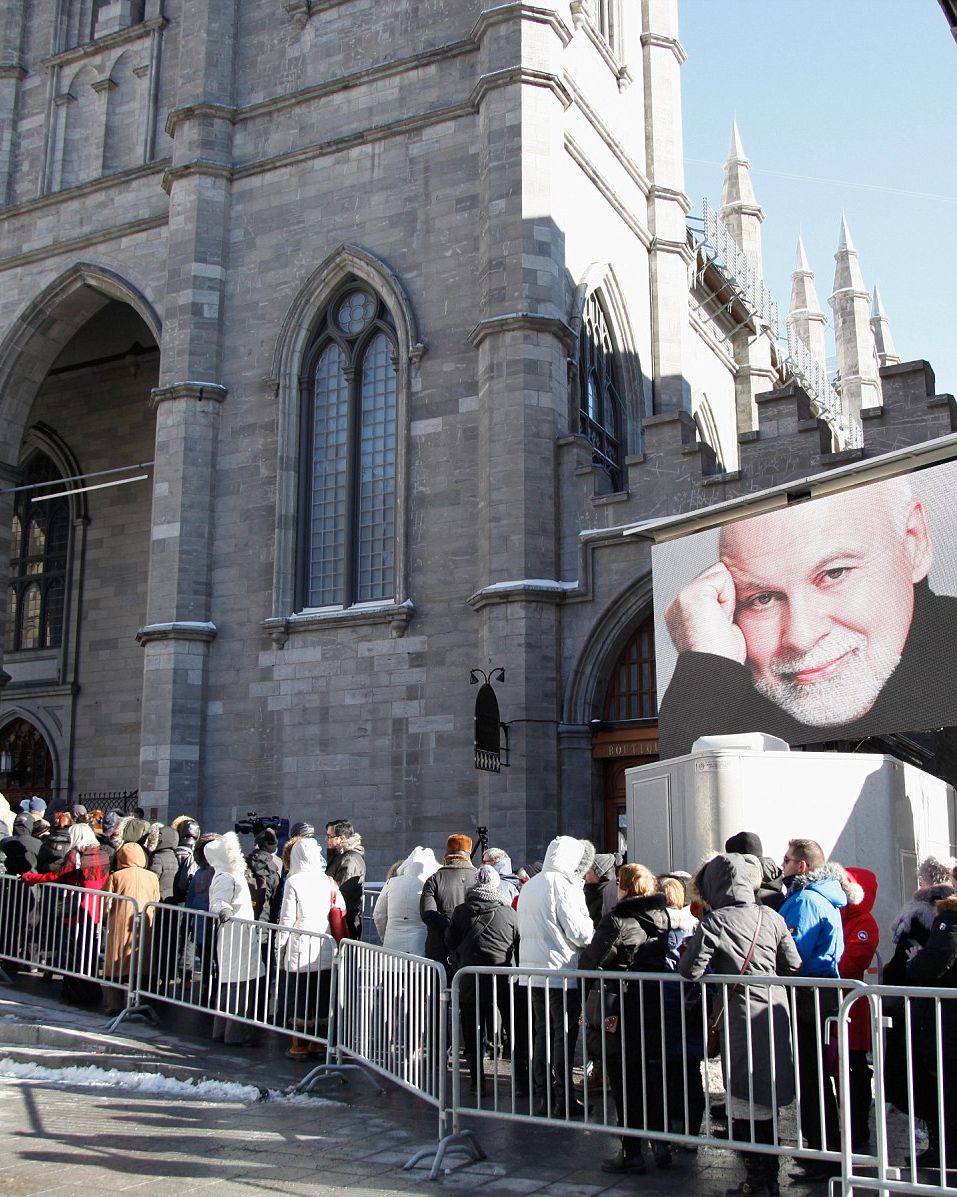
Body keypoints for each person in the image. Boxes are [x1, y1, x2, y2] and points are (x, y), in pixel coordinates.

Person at [658, 477, 957, 755]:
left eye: (834, 574)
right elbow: (691, 801)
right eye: (762, 599)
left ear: (914, 543)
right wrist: (704, 667)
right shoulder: (728, 704)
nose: (801, 637)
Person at [680, 853, 802, 1197]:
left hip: (739, 1010)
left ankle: (759, 1181)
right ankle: (767, 1178)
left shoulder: (715, 922)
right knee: (765, 1090)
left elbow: (690, 970)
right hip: (774, 1008)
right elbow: (793, 964)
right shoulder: (772, 916)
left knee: (746, 1095)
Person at [580, 863, 672, 1174]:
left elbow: (592, 960)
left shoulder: (617, 920)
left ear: (625, 887)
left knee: (625, 1079)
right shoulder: (663, 917)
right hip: (654, 1003)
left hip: (624, 1006)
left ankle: (632, 1151)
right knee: (653, 1075)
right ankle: (661, 1143)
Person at [777, 838, 849, 1181]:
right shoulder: (821, 897)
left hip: (808, 992)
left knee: (812, 1074)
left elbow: (793, 951)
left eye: (789, 860)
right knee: (814, 1074)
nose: (784, 864)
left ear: (803, 866)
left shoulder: (806, 900)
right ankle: (821, 1148)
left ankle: (824, 1153)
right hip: (817, 990)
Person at [516, 835, 594, 1117]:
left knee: (542, 1032)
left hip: (533, 970)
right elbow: (579, 931)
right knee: (563, 1034)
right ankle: (563, 1096)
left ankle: (543, 1093)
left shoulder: (532, 885)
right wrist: (592, 932)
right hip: (560, 970)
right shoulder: (564, 885)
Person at [445, 865, 519, 1097]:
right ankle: (521, 1081)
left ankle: (478, 1082)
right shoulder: (508, 913)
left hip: (470, 978)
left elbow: (450, 940)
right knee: (512, 1029)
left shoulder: (461, 911)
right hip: (503, 978)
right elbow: (517, 941)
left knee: (472, 1032)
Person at [276, 836, 345, 1058]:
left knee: (301, 997)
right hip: (324, 944)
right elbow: (340, 908)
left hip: (300, 946)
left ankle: (299, 1044)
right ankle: (319, 1043)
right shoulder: (327, 881)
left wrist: (280, 947)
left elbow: (287, 919)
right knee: (321, 995)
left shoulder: (294, 882)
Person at [905, 879, 957, 1173]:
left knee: (945, 1087)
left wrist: (915, 961)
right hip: (946, 1019)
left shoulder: (949, 918)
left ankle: (945, 1152)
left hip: (947, 1020)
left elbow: (933, 963)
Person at [205, 831, 264, 1046]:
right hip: (235, 935)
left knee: (235, 984)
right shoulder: (225, 876)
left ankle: (223, 1031)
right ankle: (233, 1033)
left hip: (241, 933)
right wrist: (223, 910)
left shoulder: (230, 874)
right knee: (236, 985)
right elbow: (218, 900)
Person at [838, 867, 878, 1154]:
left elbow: (850, 965)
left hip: (853, 1008)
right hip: (837, 1006)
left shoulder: (865, 923)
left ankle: (858, 1130)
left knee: (855, 1071)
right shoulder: (841, 918)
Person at [103, 842, 160, 1013]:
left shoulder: (116, 876)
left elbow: (107, 903)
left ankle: (114, 1005)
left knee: (114, 964)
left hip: (119, 924)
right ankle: (139, 1003)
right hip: (144, 924)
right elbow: (156, 899)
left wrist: (106, 917)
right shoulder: (152, 876)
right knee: (142, 963)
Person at [420, 834, 478, 974]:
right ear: (468, 854)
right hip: (471, 945)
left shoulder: (434, 879)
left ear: (447, 853)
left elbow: (428, 914)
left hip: (440, 947)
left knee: (439, 991)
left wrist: (450, 928)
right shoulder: (478, 877)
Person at [373, 846, 440, 954]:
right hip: (420, 942)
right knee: (420, 971)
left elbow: (378, 914)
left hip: (392, 941)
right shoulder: (429, 884)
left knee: (392, 970)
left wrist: (384, 936)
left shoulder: (391, 883)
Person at [324, 819, 366, 939]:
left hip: (345, 922)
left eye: (329, 836)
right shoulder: (342, 856)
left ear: (342, 838)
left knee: (345, 956)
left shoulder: (349, 859)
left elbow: (342, 894)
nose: (326, 840)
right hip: (342, 919)